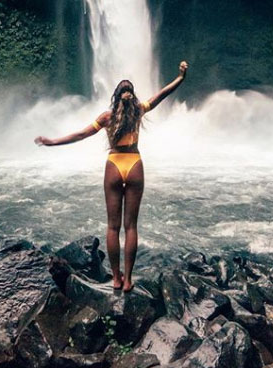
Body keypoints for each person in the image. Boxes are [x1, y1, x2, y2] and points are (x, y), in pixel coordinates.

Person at [35, 60, 188, 292]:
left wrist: (52, 142)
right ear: (132, 96)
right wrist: (180, 78)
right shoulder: (139, 110)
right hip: (134, 164)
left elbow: (80, 135)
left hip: (114, 165)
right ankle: (128, 280)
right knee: (131, 227)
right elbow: (162, 95)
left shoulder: (107, 117)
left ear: (116, 97)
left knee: (113, 227)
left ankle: (115, 278)